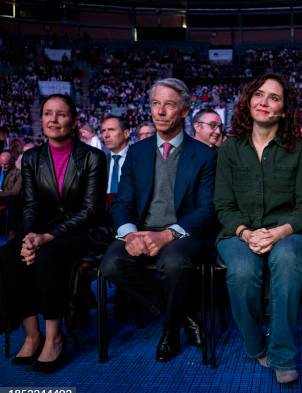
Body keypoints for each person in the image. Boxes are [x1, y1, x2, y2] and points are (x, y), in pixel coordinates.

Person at [100, 78, 217, 362]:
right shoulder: (137, 152)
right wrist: (129, 235)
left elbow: (207, 209)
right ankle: (184, 314)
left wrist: (167, 235)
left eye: (169, 104)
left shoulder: (204, 155)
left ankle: (170, 330)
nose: (160, 112)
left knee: (173, 263)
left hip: (183, 233)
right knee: (111, 264)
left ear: (185, 111)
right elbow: (122, 203)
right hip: (140, 231)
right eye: (155, 104)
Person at [214, 73, 302, 384]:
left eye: (274, 98)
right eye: (259, 94)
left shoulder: (297, 148)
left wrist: (279, 232)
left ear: (283, 110)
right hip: (238, 231)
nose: (264, 102)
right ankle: (255, 343)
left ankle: (284, 354)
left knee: (285, 260)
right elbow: (223, 206)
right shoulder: (230, 148)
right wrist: (246, 233)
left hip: (289, 231)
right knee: (243, 269)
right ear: (249, 101)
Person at [0, 94, 107, 372]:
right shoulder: (33, 157)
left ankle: (53, 335)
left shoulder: (93, 157)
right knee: (9, 255)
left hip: (83, 232)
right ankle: (32, 335)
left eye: (60, 114)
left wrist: (47, 237)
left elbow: (90, 210)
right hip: (44, 232)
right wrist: (29, 237)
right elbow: (31, 204)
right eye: (48, 113)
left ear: (73, 120)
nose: (53, 119)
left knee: (47, 253)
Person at [101, 115, 130, 194]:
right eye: (103, 131)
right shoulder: (101, 162)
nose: (106, 135)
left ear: (126, 133)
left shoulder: (139, 159)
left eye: (111, 130)